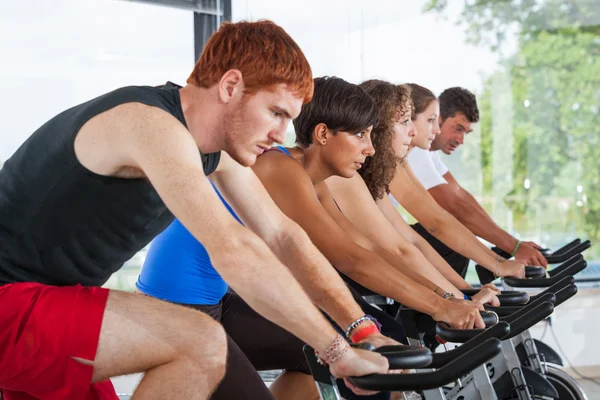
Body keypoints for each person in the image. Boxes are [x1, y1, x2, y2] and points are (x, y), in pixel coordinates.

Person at [0, 20, 389, 400]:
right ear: (231, 85)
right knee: (201, 341)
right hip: (13, 303)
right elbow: (235, 249)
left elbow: (282, 236)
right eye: (276, 113)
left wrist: (361, 330)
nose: (280, 134)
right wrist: (336, 352)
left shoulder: (213, 151)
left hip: (47, 305)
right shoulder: (150, 125)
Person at [336, 82, 525, 283]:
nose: (432, 130)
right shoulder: (385, 164)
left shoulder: (396, 160)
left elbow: (454, 201)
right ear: (382, 125)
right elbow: (436, 222)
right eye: (430, 120)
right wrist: (502, 259)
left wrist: (466, 290)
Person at [406, 86, 547, 270]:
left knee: (457, 231)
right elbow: (454, 207)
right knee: (454, 234)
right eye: (458, 129)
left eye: (466, 132)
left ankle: (459, 295)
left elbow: (460, 196)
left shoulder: (429, 152)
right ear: (439, 117)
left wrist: (509, 244)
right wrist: (513, 247)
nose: (461, 139)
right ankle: (457, 297)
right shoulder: (414, 148)